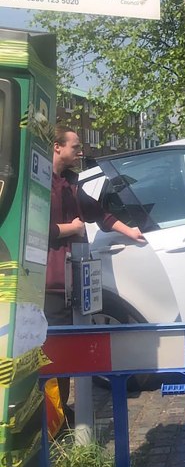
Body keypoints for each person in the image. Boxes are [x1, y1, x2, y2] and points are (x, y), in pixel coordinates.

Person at [46, 125, 145, 409]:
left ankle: (61, 412)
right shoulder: (39, 182)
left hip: (69, 278)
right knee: (50, 350)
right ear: (57, 147)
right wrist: (70, 228)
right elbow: (33, 228)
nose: (81, 151)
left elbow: (100, 214)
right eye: (76, 146)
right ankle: (52, 416)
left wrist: (131, 232)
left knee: (65, 349)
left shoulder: (70, 184)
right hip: (47, 281)